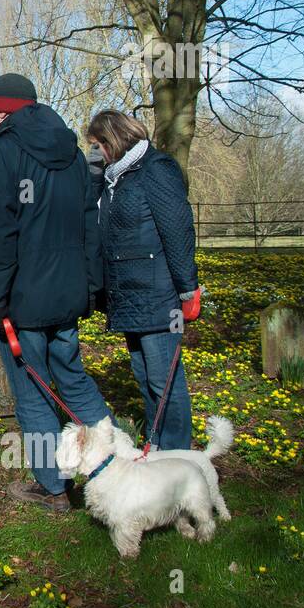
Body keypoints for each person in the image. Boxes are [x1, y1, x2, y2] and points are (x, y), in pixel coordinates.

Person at [0, 73, 113, 512]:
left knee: (32, 393)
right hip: (67, 295)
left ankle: (53, 489)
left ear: (7, 111)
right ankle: (112, 465)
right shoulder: (72, 155)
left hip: (22, 300)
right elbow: (89, 225)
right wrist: (91, 286)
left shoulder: (1, 156)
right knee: (72, 377)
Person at [86, 110, 200, 451]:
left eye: (96, 146)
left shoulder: (155, 169)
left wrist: (187, 288)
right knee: (144, 374)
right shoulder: (112, 177)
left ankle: (176, 455)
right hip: (128, 293)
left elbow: (177, 231)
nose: (94, 153)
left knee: (164, 380)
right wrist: (94, 171)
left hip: (159, 292)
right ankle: (156, 442)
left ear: (112, 140)